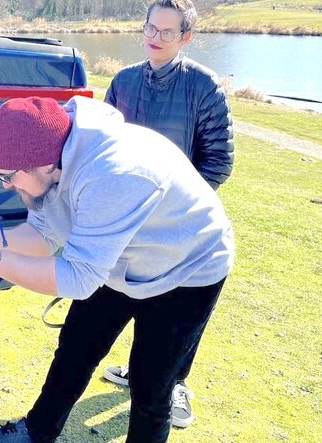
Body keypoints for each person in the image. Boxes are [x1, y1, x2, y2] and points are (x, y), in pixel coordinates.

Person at [0, 95, 234, 443]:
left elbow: (79, 278)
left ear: (42, 165)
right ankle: (36, 432)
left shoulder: (115, 172)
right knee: (74, 349)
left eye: (9, 176)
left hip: (188, 267)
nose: (6, 185)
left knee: (151, 383)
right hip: (116, 257)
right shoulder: (51, 157)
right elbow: (42, 235)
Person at [103, 0, 235, 427]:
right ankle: (140, 371)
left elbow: (218, 161)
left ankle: (175, 382)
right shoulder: (122, 81)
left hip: (182, 228)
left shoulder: (205, 86)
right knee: (127, 294)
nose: (155, 38)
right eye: (150, 28)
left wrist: (175, 208)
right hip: (127, 222)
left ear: (186, 38)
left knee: (177, 311)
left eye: (166, 32)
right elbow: (107, 149)